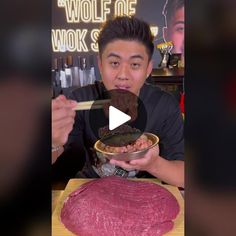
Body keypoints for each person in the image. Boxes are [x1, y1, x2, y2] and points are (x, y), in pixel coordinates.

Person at [52, 16, 184, 188]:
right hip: (93, 193)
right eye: (114, 63)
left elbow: (183, 175)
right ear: (100, 65)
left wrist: (153, 164)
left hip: (145, 197)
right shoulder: (80, 101)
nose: (123, 74)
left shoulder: (164, 106)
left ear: (148, 69)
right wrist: (52, 141)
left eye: (135, 64)